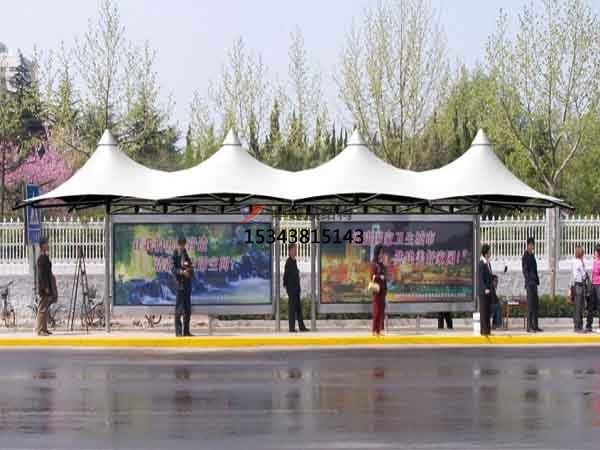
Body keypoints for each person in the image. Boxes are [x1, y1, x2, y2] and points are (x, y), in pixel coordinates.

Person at [283, 242, 308, 333]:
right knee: (292, 309)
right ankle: (291, 328)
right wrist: (288, 289)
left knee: (298, 309)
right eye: (294, 249)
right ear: (290, 251)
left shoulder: (294, 261)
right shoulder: (288, 262)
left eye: (296, 249)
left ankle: (302, 327)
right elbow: (285, 277)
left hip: (296, 289)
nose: (296, 251)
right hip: (292, 290)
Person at [172, 237, 193, 337]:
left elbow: (189, 265)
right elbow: (173, 269)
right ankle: (178, 332)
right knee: (179, 309)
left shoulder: (185, 253)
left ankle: (186, 331)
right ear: (178, 245)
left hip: (187, 285)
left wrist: (189, 270)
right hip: (179, 285)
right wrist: (181, 272)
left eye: (183, 244)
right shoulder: (175, 255)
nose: (182, 246)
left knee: (187, 309)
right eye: (180, 245)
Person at [522, 237, 543, 333]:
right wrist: (529, 280)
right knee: (530, 305)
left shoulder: (532, 255)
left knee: (535, 305)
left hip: (534, 283)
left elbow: (534, 269)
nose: (533, 246)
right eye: (532, 244)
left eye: (533, 244)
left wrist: (536, 280)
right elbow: (525, 270)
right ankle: (529, 327)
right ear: (528, 245)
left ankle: (535, 325)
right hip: (530, 284)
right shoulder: (525, 256)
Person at [36, 236, 54, 336]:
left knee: (45, 308)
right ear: (43, 245)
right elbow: (42, 275)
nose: (48, 245)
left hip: (46, 286)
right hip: (44, 287)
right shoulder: (41, 258)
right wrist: (45, 287)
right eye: (46, 243)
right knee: (42, 309)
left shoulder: (45, 257)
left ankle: (44, 328)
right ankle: (40, 330)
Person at [370, 244, 387, 337]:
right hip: (376, 290)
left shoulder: (382, 264)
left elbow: (385, 277)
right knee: (376, 310)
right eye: (380, 252)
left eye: (382, 252)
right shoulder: (374, 264)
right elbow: (372, 276)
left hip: (383, 290)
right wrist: (379, 276)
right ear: (377, 253)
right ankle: (374, 330)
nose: (382, 254)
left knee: (382, 311)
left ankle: (381, 329)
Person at [478, 244, 493, 336]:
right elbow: (480, 279)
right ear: (486, 253)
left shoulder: (488, 263)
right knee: (483, 312)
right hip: (483, 292)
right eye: (489, 251)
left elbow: (489, 276)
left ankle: (488, 331)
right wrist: (485, 289)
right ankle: (484, 331)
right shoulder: (481, 264)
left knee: (487, 312)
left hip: (488, 291)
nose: (490, 253)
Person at [572, 246, 587, 333]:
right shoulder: (580, 263)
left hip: (575, 285)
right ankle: (578, 327)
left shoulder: (574, 262)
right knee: (579, 307)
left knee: (576, 306)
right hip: (580, 286)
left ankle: (576, 325)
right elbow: (584, 275)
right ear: (581, 254)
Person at [587, 244, 600, 332]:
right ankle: (589, 325)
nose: (594, 253)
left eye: (596, 251)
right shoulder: (594, 261)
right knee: (590, 305)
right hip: (593, 285)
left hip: (599, 285)